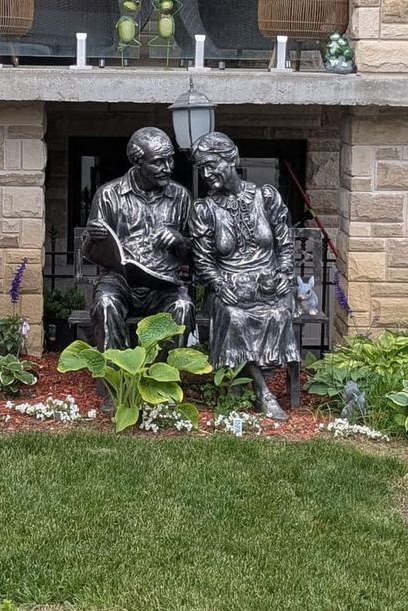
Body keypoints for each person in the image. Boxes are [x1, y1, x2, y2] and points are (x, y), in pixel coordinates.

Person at [189, 131, 300, 420]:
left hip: (267, 284)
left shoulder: (265, 197)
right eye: (201, 168)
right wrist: (217, 283)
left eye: (212, 165)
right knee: (235, 317)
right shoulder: (204, 209)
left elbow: (284, 244)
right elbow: (203, 260)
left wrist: (284, 274)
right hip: (228, 286)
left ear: (232, 160)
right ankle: (264, 392)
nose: (206, 173)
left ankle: (247, 385)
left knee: (278, 313)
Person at [81, 127, 196, 351]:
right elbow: (90, 254)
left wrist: (180, 240)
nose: (167, 168)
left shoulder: (181, 197)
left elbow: (197, 253)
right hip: (119, 282)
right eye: (158, 162)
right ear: (137, 161)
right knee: (105, 304)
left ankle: (163, 380)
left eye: (170, 160)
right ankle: (115, 380)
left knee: (182, 305)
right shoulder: (109, 195)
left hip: (164, 286)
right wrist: (94, 239)